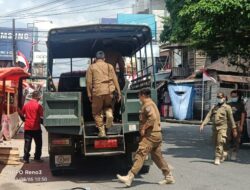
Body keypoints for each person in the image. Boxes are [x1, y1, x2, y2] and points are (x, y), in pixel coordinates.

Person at [117, 88, 175, 187]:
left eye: (139, 95)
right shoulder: (150, 104)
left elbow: (152, 118)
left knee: (140, 153)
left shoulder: (148, 105)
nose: (138, 97)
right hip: (156, 134)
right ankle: (169, 176)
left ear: (143, 95)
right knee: (157, 157)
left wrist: (144, 128)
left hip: (151, 135)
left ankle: (129, 177)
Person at [86, 51, 121, 137]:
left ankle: (102, 131)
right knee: (108, 106)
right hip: (109, 91)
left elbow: (89, 82)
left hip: (97, 92)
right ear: (104, 59)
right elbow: (115, 80)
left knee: (96, 112)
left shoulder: (91, 67)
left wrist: (89, 94)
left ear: (95, 59)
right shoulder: (110, 66)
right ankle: (109, 114)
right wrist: (119, 92)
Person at [200, 92, 237, 165]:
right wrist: (203, 124)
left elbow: (231, 119)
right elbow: (208, 116)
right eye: (218, 97)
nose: (219, 99)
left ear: (224, 98)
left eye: (220, 97)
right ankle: (224, 153)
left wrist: (234, 129)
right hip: (214, 128)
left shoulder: (227, 107)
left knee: (220, 142)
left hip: (223, 128)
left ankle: (217, 157)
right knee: (215, 142)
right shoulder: (214, 107)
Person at [19, 91, 43, 163]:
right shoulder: (39, 106)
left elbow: (21, 114)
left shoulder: (26, 105)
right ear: (38, 97)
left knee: (27, 143)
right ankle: (37, 157)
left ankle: (25, 159)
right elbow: (42, 116)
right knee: (38, 144)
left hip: (27, 128)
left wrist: (24, 120)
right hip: (36, 128)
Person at [227, 90, 246, 160]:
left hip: (237, 123)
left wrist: (241, 125)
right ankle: (228, 152)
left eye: (235, 96)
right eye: (232, 96)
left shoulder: (241, 104)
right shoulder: (228, 104)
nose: (233, 97)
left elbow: (243, 115)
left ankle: (234, 154)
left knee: (236, 139)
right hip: (229, 124)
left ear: (237, 96)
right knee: (228, 138)